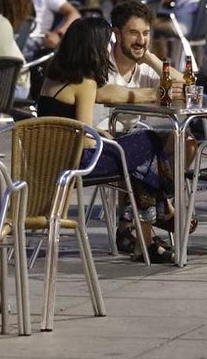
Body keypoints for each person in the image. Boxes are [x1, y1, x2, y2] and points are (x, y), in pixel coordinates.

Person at [36, 15, 180, 264]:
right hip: (79, 162)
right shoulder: (86, 82)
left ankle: (145, 239)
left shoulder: (55, 77)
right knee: (148, 141)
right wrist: (102, 138)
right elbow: (86, 141)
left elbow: (73, 120)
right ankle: (164, 207)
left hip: (51, 158)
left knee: (139, 161)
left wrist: (99, 131)